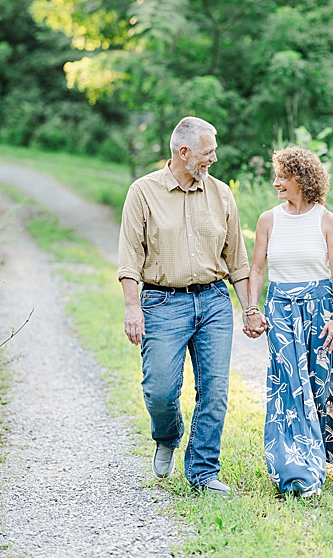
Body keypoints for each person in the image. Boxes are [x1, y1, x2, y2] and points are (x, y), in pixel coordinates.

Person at [118, 116, 251, 497]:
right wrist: (132, 308)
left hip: (213, 302)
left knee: (215, 391)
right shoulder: (142, 192)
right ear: (184, 152)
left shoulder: (222, 194)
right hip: (162, 302)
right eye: (208, 152)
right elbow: (130, 257)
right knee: (160, 389)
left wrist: (249, 308)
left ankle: (203, 472)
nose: (214, 158)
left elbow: (237, 259)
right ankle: (167, 435)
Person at [243, 146, 333, 497]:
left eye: (282, 176)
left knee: (321, 386)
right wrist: (252, 307)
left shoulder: (327, 220)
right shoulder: (268, 219)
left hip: (320, 310)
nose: (276, 182)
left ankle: (321, 455)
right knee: (288, 389)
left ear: (301, 179)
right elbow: (257, 269)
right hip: (281, 310)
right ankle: (297, 471)